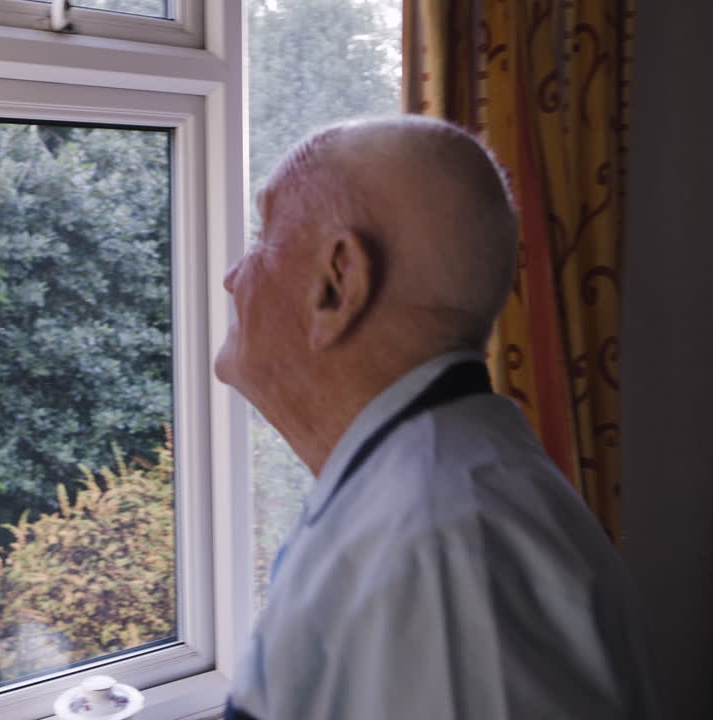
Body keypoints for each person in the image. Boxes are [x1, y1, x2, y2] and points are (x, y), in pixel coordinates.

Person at [214, 115, 660, 719]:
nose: (232, 278)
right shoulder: (423, 507)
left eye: (262, 234)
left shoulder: (442, 565)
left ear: (338, 283)